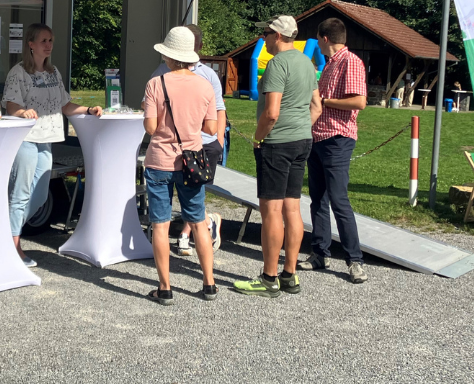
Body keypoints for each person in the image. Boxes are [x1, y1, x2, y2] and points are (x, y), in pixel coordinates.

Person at [233, 15, 321, 298]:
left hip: (277, 143)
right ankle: (289, 274)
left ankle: (269, 277)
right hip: (302, 140)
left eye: (267, 34)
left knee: (271, 210)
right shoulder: (307, 64)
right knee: (292, 208)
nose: (264, 39)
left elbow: (271, 112)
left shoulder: (276, 64)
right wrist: (301, 126)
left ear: (279, 36)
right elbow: (317, 106)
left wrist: (259, 138)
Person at [4, 23, 102, 267]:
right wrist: (23, 112)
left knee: (38, 197)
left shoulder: (53, 73)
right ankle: (13, 247)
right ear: (31, 44)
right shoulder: (18, 72)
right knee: (21, 194)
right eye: (44, 40)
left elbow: (65, 105)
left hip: (46, 139)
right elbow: (11, 106)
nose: (48, 45)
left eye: (51, 40)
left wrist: (88, 110)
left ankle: (2, 235)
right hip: (25, 139)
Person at [142, 26, 219, 303]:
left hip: (160, 160)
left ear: (169, 56)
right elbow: (211, 126)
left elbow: (151, 128)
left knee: (160, 225)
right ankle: (209, 283)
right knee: (198, 222)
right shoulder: (205, 84)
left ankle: (164, 288)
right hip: (192, 160)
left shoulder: (156, 84)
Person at [298, 17, 368, 283]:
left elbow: (359, 101)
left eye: (317, 39)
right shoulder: (328, 65)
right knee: (318, 199)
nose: (317, 43)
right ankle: (320, 253)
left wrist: (325, 101)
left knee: (339, 199)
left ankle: (355, 260)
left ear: (324, 39)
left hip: (338, 138)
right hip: (318, 137)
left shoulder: (350, 62)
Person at [149, 23, 227, 256]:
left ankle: (166, 282)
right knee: (195, 209)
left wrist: (219, 142)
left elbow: (219, 112)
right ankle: (207, 279)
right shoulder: (162, 74)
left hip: (195, 147)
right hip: (190, 145)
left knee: (182, 215)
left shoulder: (206, 75)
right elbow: (211, 121)